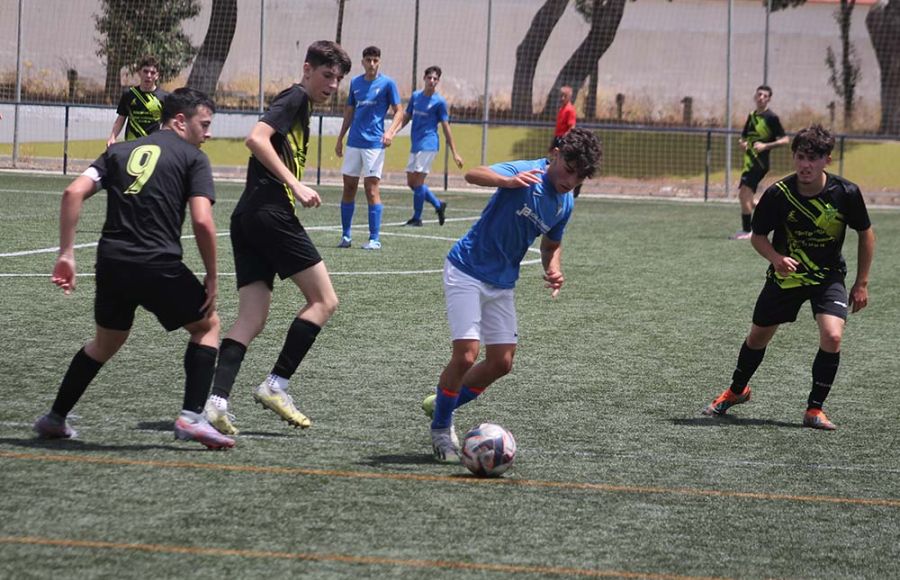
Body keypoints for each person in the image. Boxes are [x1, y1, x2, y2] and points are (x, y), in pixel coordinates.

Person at [34, 87, 233, 449]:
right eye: (203, 125)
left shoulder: (118, 152)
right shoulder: (192, 158)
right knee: (208, 325)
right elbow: (203, 221)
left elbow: (72, 193)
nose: (208, 133)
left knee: (105, 342)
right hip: (156, 262)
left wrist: (66, 252)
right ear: (179, 121)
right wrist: (213, 276)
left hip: (112, 263)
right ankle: (191, 417)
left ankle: (54, 418)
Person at [424, 127, 603, 462]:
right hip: (466, 269)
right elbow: (473, 174)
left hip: (502, 282)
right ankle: (441, 428)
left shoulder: (564, 203)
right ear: (556, 153)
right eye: (567, 169)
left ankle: (443, 400)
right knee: (465, 355)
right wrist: (505, 181)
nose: (569, 181)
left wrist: (553, 267)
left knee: (501, 363)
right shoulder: (527, 170)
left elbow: (552, 244)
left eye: (579, 178)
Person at [202, 41, 351, 436]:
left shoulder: (301, 103)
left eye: (338, 79)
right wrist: (296, 185)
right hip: (270, 212)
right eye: (327, 75)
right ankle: (276, 384)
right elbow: (256, 138)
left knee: (252, 317)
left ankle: (214, 403)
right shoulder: (295, 98)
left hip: (248, 217)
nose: (333, 85)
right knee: (324, 301)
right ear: (307, 69)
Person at [702, 124, 875, 430]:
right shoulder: (778, 194)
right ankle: (737, 391)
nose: (806, 165)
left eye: (813, 158)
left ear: (827, 160)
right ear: (793, 158)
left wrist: (861, 283)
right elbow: (757, 236)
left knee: (833, 336)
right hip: (786, 278)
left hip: (827, 277)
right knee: (757, 338)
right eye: (800, 157)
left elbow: (866, 233)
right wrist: (776, 259)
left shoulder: (845, 193)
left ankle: (814, 410)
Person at [334, 46, 404, 250]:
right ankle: (346, 236)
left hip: (374, 144)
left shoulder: (388, 83)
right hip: (354, 142)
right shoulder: (355, 83)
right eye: (368, 60)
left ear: (379, 62)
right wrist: (340, 138)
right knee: (348, 187)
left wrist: (390, 132)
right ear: (362, 62)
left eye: (375, 60)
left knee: (371, 189)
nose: (372, 64)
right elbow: (349, 112)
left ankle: (374, 239)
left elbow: (399, 111)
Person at [385, 65, 463, 227]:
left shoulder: (439, 102)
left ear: (438, 81)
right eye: (430, 78)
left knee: (418, 182)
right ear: (424, 78)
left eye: (435, 79)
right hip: (416, 144)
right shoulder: (416, 96)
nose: (432, 81)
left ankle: (417, 218)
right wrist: (393, 132)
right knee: (411, 183)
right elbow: (406, 117)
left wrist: (455, 152)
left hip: (429, 144)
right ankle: (438, 204)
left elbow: (446, 127)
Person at [730, 85, 789, 240]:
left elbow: (785, 140)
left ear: (769, 99)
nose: (761, 97)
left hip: (759, 163)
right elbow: (743, 137)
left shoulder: (771, 118)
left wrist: (766, 146)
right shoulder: (752, 115)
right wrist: (742, 144)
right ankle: (774, 213)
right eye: (759, 95)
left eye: (765, 96)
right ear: (755, 97)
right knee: (746, 198)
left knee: (743, 195)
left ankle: (748, 231)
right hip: (749, 162)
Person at [107, 55, 168, 147]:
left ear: (157, 76)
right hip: (132, 143)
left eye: (152, 73)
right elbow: (121, 118)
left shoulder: (164, 97)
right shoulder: (129, 94)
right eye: (145, 71)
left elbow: (168, 123)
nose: (148, 75)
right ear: (139, 72)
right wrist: (112, 137)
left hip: (153, 144)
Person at [550, 86, 580, 198]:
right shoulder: (561, 109)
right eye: (561, 96)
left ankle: (576, 187)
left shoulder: (570, 110)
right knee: (553, 159)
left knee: (564, 162)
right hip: (557, 138)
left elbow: (571, 126)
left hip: (563, 139)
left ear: (570, 97)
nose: (562, 98)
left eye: (565, 96)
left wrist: (565, 139)